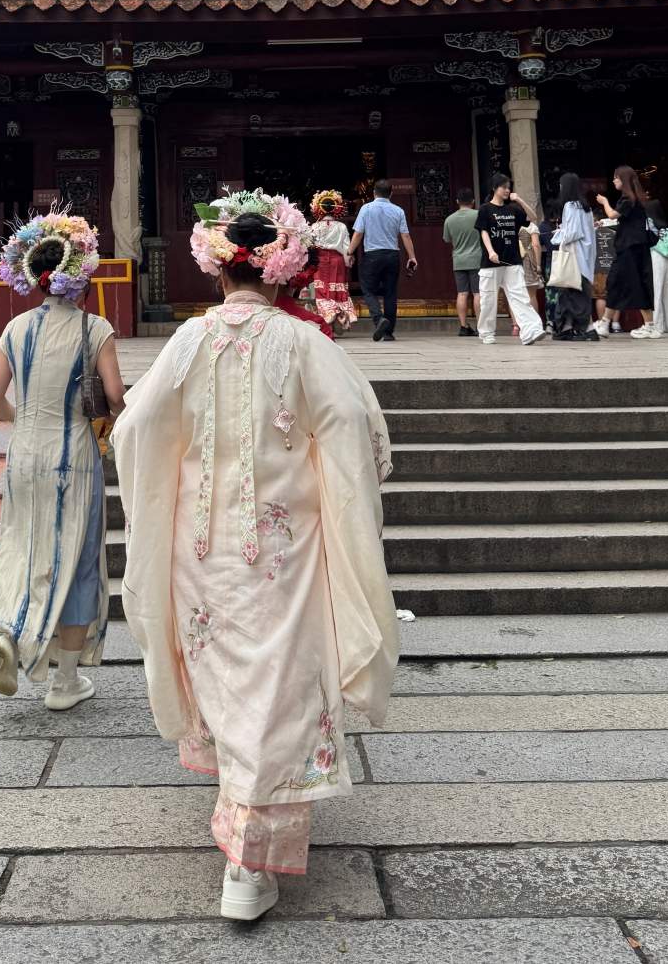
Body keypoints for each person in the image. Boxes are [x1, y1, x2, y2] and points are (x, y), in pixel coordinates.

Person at [113, 189, 397, 923]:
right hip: (284, 544)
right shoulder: (305, 342)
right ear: (284, 268)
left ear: (218, 270)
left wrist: (179, 480)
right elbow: (356, 431)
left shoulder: (189, 339)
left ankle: (244, 833)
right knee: (280, 684)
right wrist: (339, 488)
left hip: (203, 549)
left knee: (233, 680)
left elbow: (134, 430)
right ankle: (248, 858)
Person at [0, 210, 125, 708]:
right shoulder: (94, 328)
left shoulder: (15, 328)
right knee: (78, 559)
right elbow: (114, 393)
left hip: (23, 452)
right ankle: (65, 681)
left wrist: (23, 419)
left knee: (24, 545)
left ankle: (10, 633)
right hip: (74, 453)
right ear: (80, 275)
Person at [591, 165, 661, 340]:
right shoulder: (637, 199)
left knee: (615, 282)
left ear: (624, 179)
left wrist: (604, 202)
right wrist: (605, 223)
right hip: (639, 248)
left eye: (616, 177)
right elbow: (625, 222)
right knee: (638, 284)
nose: (614, 180)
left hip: (628, 250)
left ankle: (606, 323)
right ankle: (647, 325)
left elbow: (614, 215)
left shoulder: (627, 199)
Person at [475, 174, 546, 345]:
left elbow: (532, 218)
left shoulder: (513, 210)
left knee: (520, 297)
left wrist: (519, 200)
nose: (507, 190)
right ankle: (486, 332)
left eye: (509, 187)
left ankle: (531, 330)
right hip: (491, 263)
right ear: (495, 188)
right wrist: (491, 251)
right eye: (503, 187)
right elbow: (484, 232)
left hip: (513, 261)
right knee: (488, 299)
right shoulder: (485, 209)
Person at [348, 180, 417, 343]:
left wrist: (349, 252)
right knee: (390, 293)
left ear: (374, 193)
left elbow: (358, 234)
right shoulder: (398, 210)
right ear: (391, 193)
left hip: (372, 255)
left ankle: (379, 319)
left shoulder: (366, 209)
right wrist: (412, 256)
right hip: (392, 255)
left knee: (368, 289)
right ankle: (389, 332)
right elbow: (405, 235)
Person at [549, 172, 597, 343]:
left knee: (573, 293)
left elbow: (573, 232)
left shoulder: (570, 206)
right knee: (573, 292)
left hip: (573, 255)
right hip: (584, 255)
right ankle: (567, 328)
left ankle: (588, 329)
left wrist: (558, 235)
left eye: (561, 185)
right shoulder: (586, 208)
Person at [306, 190, 357, 333]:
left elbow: (310, 245)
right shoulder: (341, 227)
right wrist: (348, 260)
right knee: (337, 290)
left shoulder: (315, 227)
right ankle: (339, 313)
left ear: (318, 208)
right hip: (338, 260)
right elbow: (347, 247)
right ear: (335, 208)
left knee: (322, 291)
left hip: (321, 261)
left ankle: (330, 316)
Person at [441, 187, 481, 337]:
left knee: (462, 293)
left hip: (458, 260)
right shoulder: (479, 215)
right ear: (473, 201)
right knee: (478, 293)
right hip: (477, 259)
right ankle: (480, 325)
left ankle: (463, 326)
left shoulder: (449, 219)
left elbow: (447, 239)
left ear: (457, 201)